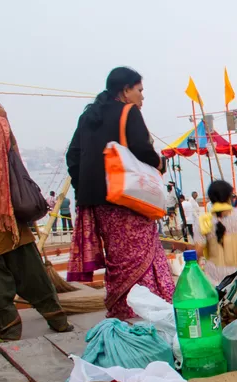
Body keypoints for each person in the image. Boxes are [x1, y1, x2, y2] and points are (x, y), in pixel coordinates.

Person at [65, 67, 175, 319]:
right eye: (139, 90)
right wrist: (159, 163)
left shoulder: (88, 117)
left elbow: (73, 157)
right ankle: (146, 309)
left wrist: (86, 188)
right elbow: (140, 148)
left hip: (99, 202)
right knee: (141, 256)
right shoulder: (129, 112)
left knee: (118, 257)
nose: (142, 97)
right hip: (128, 199)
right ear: (125, 90)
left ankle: (120, 308)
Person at [0, 82, 71, 340]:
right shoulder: (1, 125)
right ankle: (58, 319)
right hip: (11, 210)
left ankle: (8, 331)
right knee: (30, 269)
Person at [193, 180, 237, 285]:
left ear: (210, 198)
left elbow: (198, 252)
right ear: (230, 196)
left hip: (213, 279)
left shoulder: (203, 220)